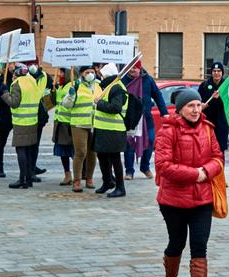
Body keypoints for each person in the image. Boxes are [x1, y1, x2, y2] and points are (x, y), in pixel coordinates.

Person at [155, 88, 222, 277]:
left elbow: (218, 157)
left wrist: (207, 170)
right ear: (180, 108)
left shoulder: (207, 128)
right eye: (190, 106)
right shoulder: (168, 131)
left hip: (202, 199)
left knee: (200, 245)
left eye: (198, 105)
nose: (195, 110)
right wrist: (196, 174)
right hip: (173, 200)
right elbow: (163, 165)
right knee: (177, 242)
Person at [121, 59, 168, 180]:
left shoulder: (148, 79)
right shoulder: (123, 81)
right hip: (131, 119)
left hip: (146, 117)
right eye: (130, 67)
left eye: (135, 68)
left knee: (151, 141)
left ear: (140, 68)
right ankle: (129, 171)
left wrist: (164, 112)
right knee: (130, 145)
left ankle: (145, 167)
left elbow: (157, 95)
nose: (132, 70)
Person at [0, 63, 40, 189]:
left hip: (21, 121)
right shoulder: (32, 81)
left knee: (21, 150)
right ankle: (28, 179)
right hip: (33, 120)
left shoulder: (18, 84)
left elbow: (14, 102)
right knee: (28, 150)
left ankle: (22, 179)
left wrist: (5, 93)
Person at [63, 65, 100, 192]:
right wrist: (71, 95)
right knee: (81, 152)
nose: (90, 74)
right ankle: (77, 180)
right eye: (87, 72)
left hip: (94, 124)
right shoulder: (76, 85)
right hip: (79, 124)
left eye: (92, 72)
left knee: (92, 153)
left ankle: (89, 178)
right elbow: (66, 104)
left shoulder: (98, 86)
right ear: (82, 74)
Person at [94, 63, 129, 197]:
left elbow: (116, 108)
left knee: (114, 159)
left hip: (114, 129)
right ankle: (107, 182)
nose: (101, 77)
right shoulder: (108, 86)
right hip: (103, 128)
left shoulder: (116, 88)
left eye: (102, 75)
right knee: (102, 156)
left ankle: (120, 187)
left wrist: (99, 103)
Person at [27, 58, 52, 181]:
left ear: (38, 64)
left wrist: (46, 105)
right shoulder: (23, 77)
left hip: (40, 116)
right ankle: (29, 171)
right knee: (28, 145)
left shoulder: (45, 76)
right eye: (30, 64)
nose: (32, 66)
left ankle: (32, 168)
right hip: (27, 116)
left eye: (34, 63)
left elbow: (51, 93)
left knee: (35, 144)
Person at [198, 62, 229, 151]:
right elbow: (197, 100)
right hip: (207, 122)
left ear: (222, 72)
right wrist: (200, 105)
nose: (216, 73)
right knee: (207, 148)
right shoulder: (204, 85)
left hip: (222, 122)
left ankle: (220, 165)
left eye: (219, 71)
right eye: (214, 71)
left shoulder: (226, 85)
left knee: (220, 149)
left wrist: (220, 97)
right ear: (211, 72)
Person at [0, 63, 15, 178]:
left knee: (22, 142)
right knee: (2, 141)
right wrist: (4, 97)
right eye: (10, 65)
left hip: (16, 114)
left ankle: (30, 167)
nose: (12, 67)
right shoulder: (0, 80)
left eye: (13, 65)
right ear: (5, 68)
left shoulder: (17, 79)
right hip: (4, 114)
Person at [53, 68, 75, 186]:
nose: (59, 74)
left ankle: (80, 173)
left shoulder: (70, 87)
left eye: (61, 72)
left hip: (68, 123)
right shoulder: (61, 86)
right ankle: (67, 174)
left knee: (73, 151)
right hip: (60, 122)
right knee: (62, 151)